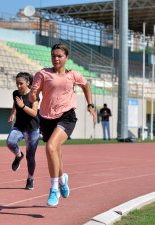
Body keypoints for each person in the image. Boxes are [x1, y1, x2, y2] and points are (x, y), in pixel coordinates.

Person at [29, 43, 97, 206]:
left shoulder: (73, 74)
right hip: (46, 117)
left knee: (51, 147)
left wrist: (90, 105)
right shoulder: (42, 74)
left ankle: (54, 189)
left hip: (67, 116)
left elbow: (86, 86)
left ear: (66, 58)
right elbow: (33, 97)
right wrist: (33, 95)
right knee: (56, 152)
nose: (56, 59)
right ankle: (62, 179)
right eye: (53, 56)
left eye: (59, 56)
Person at [7, 72, 40, 190]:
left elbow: (34, 112)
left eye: (21, 83)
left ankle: (30, 179)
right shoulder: (15, 93)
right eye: (17, 83)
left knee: (30, 157)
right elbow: (15, 103)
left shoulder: (34, 95)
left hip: (32, 129)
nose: (18, 86)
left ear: (28, 83)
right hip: (19, 126)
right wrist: (12, 113)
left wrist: (22, 106)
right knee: (10, 142)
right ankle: (18, 155)